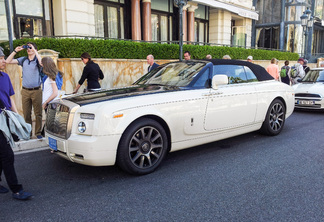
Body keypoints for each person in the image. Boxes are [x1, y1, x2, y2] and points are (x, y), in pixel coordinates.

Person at [0, 47, 33, 200]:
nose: (3, 61)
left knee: (3, 154)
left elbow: (11, 97)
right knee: (7, 155)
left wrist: (17, 117)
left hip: (6, 119)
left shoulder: (5, 77)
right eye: (0, 59)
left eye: (3, 58)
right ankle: (16, 190)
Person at [6, 42, 43, 139]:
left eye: (30, 47)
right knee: (26, 114)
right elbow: (8, 61)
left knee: (38, 113)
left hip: (36, 90)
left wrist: (35, 51)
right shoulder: (24, 60)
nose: (28, 49)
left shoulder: (37, 60)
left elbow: (42, 63)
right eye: (28, 47)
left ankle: (38, 133)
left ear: (35, 49)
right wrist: (15, 51)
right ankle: (28, 133)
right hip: (25, 91)